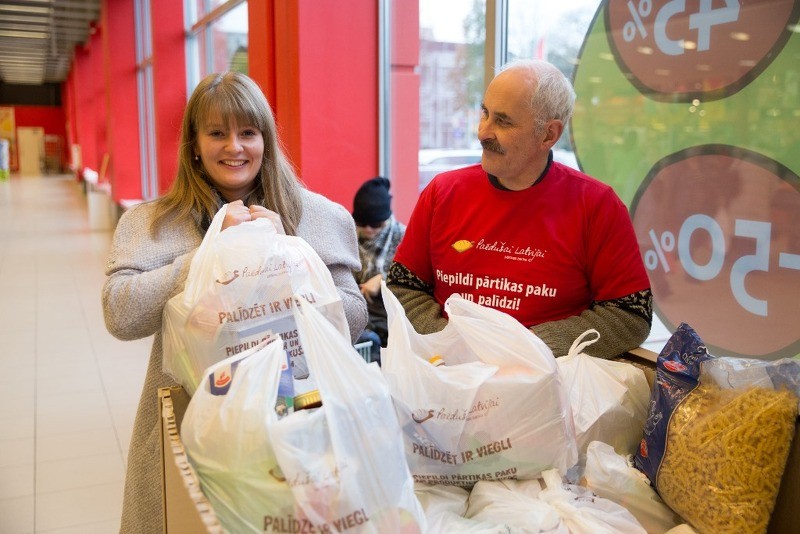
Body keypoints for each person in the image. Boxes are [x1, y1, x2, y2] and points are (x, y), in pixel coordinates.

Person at [102, 71, 367, 534]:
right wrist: (208, 256)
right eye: (217, 133)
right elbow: (120, 315)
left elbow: (353, 316)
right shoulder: (153, 223)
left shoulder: (317, 217)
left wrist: (285, 258)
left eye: (248, 132)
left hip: (299, 422)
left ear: (265, 137)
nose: (235, 147)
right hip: (191, 423)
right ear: (195, 144)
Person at [386, 59, 652, 358]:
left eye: (503, 121)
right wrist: (452, 346)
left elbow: (631, 315)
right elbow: (402, 288)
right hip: (449, 377)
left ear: (549, 135)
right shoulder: (442, 193)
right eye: (485, 113)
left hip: (545, 384)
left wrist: (526, 347)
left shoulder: (596, 206)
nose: (483, 132)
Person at [352, 176, 406, 363]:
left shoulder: (404, 238)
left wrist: (384, 280)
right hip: (361, 321)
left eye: (376, 224)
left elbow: (418, 284)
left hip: (394, 321)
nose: (368, 230)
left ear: (386, 218)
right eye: (361, 222)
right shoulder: (349, 236)